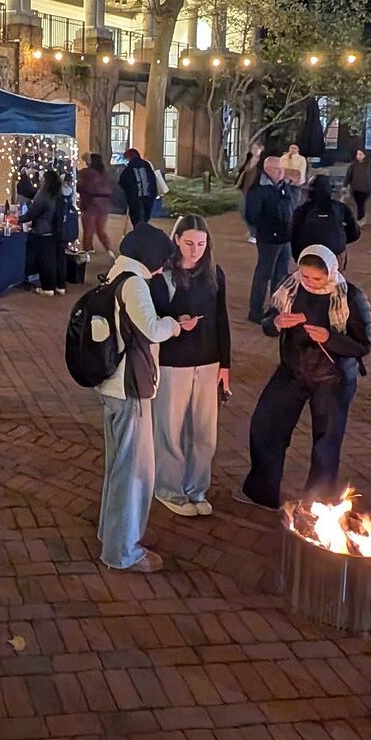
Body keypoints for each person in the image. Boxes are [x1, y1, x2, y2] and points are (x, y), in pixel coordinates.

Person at [239, 245, 371, 508]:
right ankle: (261, 492)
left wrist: (330, 338)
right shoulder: (290, 287)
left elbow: (363, 345)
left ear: (331, 272)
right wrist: (276, 324)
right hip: (292, 371)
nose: (310, 283)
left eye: (317, 278)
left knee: (326, 443)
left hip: (332, 379)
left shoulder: (350, 297)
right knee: (266, 426)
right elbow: (269, 320)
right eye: (305, 276)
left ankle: (318, 503)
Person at [95, 225, 178, 572]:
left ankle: (111, 533)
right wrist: (173, 324)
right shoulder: (135, 285)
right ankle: (123, 551)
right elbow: (152, 329)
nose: (160, 269)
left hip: (110, 384)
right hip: (130, 386)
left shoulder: (116, 273)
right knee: (134, 474)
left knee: (118, 465)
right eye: (160, 262)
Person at [149, 215, 230, 516]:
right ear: (177, 240)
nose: (195, 250)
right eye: (188, 243)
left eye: (200, 244)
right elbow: (152, 322)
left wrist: (226, 364)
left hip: (208, 362)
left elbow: (221, 320)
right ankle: (168, 489)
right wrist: (176, 324)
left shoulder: (214, 274)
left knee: (204, 433)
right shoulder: (164, 278)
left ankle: (196, 488)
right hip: (173, 363)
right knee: (170, 429)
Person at [245, 156, 295, 322]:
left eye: (282, 168)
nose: (281, 172)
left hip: (285, 238)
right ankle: (255, 311)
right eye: (277, 169)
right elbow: (252, 215)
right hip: (268, 239)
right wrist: (269, 229)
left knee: (281, 275)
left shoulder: (283, 186)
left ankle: (276, 308)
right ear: (268, 170)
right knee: (264, 274)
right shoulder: (259, 189)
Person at [291, 175, 361, 265]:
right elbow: (355, 233)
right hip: (335, 251)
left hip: (308, 253)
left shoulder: (302, 210)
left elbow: (294, 235)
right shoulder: (340, 208)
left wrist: (297, 256)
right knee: (335, 277)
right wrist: (340, 238)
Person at [21, 170, 69, 295]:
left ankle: (47, 287)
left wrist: (20, 219)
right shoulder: (59, 193)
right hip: (58, 231)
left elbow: (32, 212)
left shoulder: (43, 194)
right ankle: (60, 285)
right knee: (58, 259)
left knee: (46, 261)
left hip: (44, 231)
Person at [77, 154, 114, 255]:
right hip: (104, 203)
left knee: (88, 229)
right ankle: (108, 249)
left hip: (91, 202)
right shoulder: (105, 174)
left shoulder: (87, 173)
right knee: (100, 229)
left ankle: (87, 249)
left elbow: (81, 186)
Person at [118, 148, 159, 227]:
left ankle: (139, 233)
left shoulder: (129, 169)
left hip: (135, 199)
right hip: (148, 197)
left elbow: (122, 182)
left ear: (130, 157)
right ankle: (143, 231)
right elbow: (152, 179)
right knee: (144, 218)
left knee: (137, 219)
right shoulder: (146, 165)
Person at [346, 148, 371, 223]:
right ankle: (361, 217)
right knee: (358, 203)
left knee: (361, 203)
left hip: (366, 188)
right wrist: (345, 185)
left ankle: (361, 218)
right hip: (355, 188)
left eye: (360, 154)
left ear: (364, 155)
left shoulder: (370, 164)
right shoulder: (353, 165)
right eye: (357, 154)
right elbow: (349, 176)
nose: (358, 156)